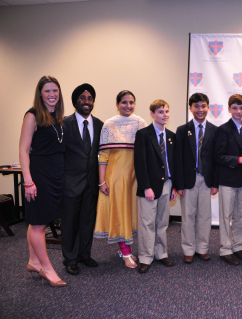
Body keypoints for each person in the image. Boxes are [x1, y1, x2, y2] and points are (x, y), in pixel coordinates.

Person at [19, 75, 67, 287]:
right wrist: (28, 181)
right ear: (40, 93)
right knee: (38, 223)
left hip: (55, 174)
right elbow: (23, 150)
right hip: (39, 175)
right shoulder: (32, 115)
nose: (52, 95)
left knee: (37, 220)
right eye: (47, 91)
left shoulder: (57, 116)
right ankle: (47, 268)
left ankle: (33, 261)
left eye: (55, 90)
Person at [93, 90, 147, 268]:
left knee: (131, 213)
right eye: (124, 102)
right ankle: (125, 251)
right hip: (115, 176)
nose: (128, 106)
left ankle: (124, 247)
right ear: (117, 105)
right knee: (120, 212)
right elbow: (103, 155)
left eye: (131, 102)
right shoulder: (109, 124)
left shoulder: (141, 123)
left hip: (135, 177)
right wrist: (102, 182)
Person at [61, 83, 104, 276]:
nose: (86, 102)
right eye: (82, 98)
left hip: (91, 183)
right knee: (70, 222)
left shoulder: (100, 125)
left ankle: (84, 254)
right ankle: (70, 259)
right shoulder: (63, 124)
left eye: (89, 98)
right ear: (75, 101)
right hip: (70, 183)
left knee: (88, 221)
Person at [175, 93, 218, 264]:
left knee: (205, 217)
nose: (200, 110)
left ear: (208, 107)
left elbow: (216, 160)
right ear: (190, 108)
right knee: (188, 216)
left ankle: (202, 248)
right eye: (196, 106)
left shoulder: (215, 130)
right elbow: (177, 159)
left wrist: (215, 183)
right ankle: (188, 249)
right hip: (188, 181)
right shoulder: (182, 130)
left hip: (207, 181)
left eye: (203, 106)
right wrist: (179, 184)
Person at [134, 100, 176, 273]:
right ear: (152, 114)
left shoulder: (172, 136)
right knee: (147, 223)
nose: (164, 115)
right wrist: (146, 187)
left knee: (162, 222)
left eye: (166, 111)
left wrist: (174, 186)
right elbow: (140, 163)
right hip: (149, 187)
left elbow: (173, 163)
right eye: (160, 112)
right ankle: (145, 257)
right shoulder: (143, 135)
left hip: (167, 184)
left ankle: (161, 253)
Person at [214, 94, 242, 266]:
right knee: (226, 216)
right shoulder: (223, 129)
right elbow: (218, 156)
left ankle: (238, 246)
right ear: (229, 109)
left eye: (241, 107)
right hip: (228, 179)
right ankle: (225, 249)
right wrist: (239, 159)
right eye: (235, 108)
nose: (238, 111)